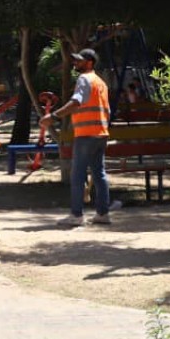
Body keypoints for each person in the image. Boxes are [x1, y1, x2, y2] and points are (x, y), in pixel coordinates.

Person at [42, 48, 113, 226]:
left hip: (86, 134)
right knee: (99, 174)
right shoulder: (101, 83)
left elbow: (76, 102)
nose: (75, 63)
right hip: (101, 134)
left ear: (90, 62)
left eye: (79, 60)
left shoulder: (84, 79)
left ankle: (76, 215)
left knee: (77, 175)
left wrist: (53, 116)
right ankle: (103, 213)